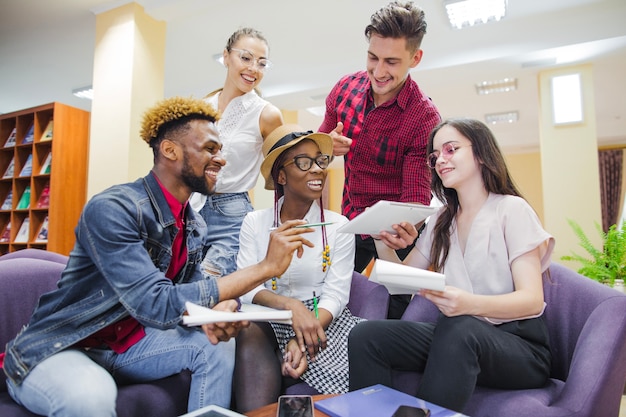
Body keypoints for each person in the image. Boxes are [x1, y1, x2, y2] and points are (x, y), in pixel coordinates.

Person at [1, 97, 312, 416]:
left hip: (126, 344)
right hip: (63, 345)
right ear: (170, 151)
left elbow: (189, 295)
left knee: (216, 347)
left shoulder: (193, 224)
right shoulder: (114, 208)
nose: (221, 160)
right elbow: (156, 302)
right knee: (90, 397)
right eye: (210, 148)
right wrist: (265, 268)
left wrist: (217, 310)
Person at [348, 118, 555, 413]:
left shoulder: (511, 210)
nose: (440, 160)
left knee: (460, 326)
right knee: (366, 336)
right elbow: (403, 282)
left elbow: (532, 300)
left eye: (450, 149)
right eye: (435, 156)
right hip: (457, 335)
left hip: (519, 347)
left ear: (481, 153)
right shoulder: (441, 220)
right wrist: (385, 239)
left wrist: (468, 304)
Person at [318, 1, 441, 318]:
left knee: (389, 323)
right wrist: (323, 147)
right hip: (348, 231)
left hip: (394, 240)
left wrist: (403, 227)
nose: (379, 70)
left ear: (415, 58)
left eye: (392, 61)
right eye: (373, 57)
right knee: (340, 316)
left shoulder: (423, 118)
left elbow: (414, 200)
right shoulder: (344, 89)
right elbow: (314, 153)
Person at [232, 125, 361, 412]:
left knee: (344, 378)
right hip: (269, 315)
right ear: (281, 175)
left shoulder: (339, 226)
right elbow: (248, 287)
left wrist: (300, 337)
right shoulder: (255, 222)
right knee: (249, 330)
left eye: (320, 161)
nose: (316, 169)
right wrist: (292, 307)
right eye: (304, 162)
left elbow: (336, 294)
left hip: (323, 319)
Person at [190, 27, 283, 280]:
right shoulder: (201, 107)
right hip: (191, 209)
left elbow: (283, 170)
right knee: (181, 284)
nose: (253, 68)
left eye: (261, 63)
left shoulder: (267, 114)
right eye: (246, 58)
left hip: (232, 215)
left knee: (208, 284)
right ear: (226, 56)